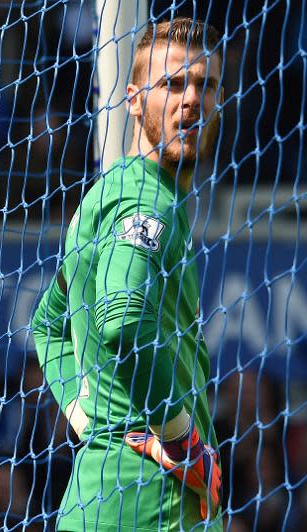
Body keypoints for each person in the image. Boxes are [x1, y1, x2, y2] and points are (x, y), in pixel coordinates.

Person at [32, 17, 224, 531]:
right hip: (145, 503)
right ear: (135, 100)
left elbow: (47, 324)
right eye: (173, 84)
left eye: (204, 85)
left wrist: (84, 413)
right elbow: (124, 321)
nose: (191, 100)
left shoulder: (106, 195)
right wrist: (184, 442)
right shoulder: (147, 203)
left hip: (100, 492)